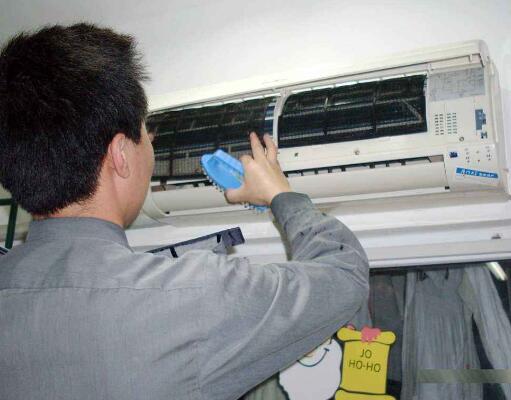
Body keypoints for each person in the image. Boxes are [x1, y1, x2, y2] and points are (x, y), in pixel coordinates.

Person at [0, 24, 369, 400]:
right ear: (120, 155)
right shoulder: (189, 297)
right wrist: (280, 193)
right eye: (145, 130)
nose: (151, 142)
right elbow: (345, 274)